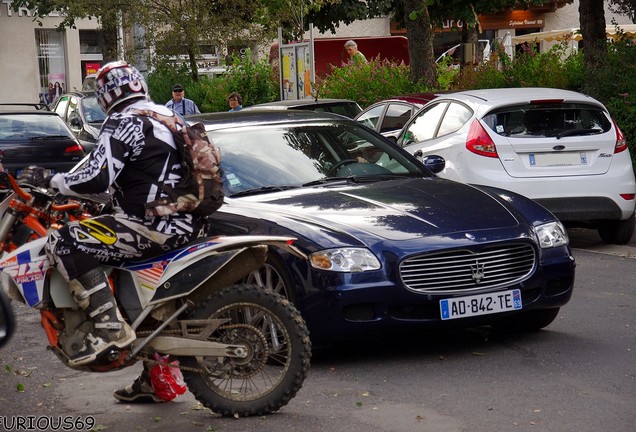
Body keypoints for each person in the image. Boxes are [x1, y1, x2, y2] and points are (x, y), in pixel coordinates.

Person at [18, 62, 205, 383]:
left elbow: (97, 176)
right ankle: (153, 379)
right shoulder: (165, 115)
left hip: (152, 227)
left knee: (64, 240)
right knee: (98, 230)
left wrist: (51, 181)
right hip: (187, 222)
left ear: (106, 94)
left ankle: (109, 325)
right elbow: (129, 173)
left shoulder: (122, 121)